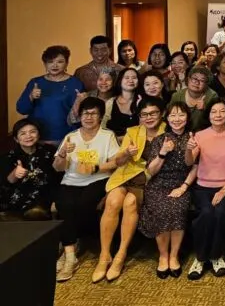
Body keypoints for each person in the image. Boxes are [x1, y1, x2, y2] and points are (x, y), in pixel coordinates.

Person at [93, 97, 166, 282]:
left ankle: (121, 254)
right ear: (139, 116)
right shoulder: (133, 131)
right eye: (144, 114)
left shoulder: (169, 130)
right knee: (113, 201)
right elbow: (118, 162)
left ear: (161, 113)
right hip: (126, 176)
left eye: (153, 113)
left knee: (130, 202)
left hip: (149, 179)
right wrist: (126, 153)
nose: (149, 117)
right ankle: (104, 255)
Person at [53, 97, 120, 282]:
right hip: (71, 180)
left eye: (93, 113)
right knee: (63, 204)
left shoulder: (107, 136)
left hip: (98, 179)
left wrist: (96, 168)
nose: (89, 117)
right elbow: (58, 167)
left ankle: (72, 246)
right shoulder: (70, 137)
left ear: (100, 116)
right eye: (85, 113)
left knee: (84, 203)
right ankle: (70, 255)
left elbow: (115, 162)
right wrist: (62, 153)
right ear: (79, 115)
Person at [139, 101, 197, 278]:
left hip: (182, 183)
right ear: (167, 118)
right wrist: (163, 152)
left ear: (187, 117)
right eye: (173, 115)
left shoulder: (193, 137)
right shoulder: (159, 140)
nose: (177, 119)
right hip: (158, 184)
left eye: (181, 115)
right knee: (161, 209)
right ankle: (163, 256)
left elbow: (192, 165)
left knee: (178, 208)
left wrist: (183, 187)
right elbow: (151, 171)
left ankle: (174, 255)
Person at [185, 99, 225, 279]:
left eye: (222, 111)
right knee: (207, 213)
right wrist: (188, 149)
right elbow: (189, 162)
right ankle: (200, 258)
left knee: (221, 213)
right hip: (202, 186)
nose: (218, 115)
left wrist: (224, 190)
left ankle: (216, 256)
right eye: (214, 112)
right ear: (208, 115)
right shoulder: (200, 135)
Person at [17, 45, 83, 144]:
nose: (55, 65)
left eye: (60, 62)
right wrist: (31, 96)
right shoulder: (35, 82)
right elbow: (21, 109)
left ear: (66, 63)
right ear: (45, 64)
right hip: (37, 137)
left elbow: (80, 116)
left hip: (65, 137)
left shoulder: (75, 83)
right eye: (50, 62)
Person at [0, 118, 58, 220]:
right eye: (23, 133)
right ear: (16, 139)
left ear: (38, 135)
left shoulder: (49, 151)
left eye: (32, 132)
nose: (28, 136)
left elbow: (58, 176)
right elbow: (7, 182)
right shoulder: (8, 157)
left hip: (45, 197)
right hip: (18, 199)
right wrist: (15, 174)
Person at [169, 66, 219, 131]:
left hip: (203, 133)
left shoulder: (212, 96)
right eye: (194, 78)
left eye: (202, 80)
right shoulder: (177, 96)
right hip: (179, 131)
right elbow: (169, 117)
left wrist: (204, 110)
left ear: (206, 84)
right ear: (188, 79)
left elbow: (216, 120)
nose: (197, 82)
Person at [105, 67, 140, 140]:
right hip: (115, 144)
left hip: (138, 143)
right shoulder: (110, 103)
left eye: (134, 78)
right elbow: (103, 127)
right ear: (120, 81)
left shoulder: (142, 100)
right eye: (127, 78)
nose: (130, 80)